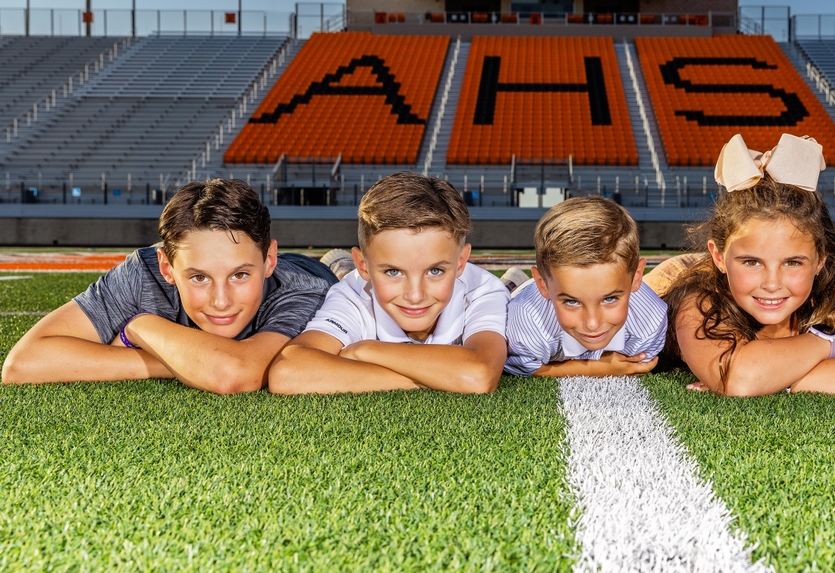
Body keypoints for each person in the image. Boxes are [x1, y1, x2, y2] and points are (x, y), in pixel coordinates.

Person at [2, 179, 337, 395]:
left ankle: (336, 262)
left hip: (315, 270)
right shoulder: (142, 274)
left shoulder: (303, 290)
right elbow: (23, 364)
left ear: (268, 261)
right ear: (166, 267)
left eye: (240, 276)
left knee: (335, 270)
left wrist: (141, 327)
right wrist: (176, 361)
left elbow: (233, 375)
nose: (221, 301)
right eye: (198, 277)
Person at [663, 133, 835, 397]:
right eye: (752, 262)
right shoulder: (698, 299)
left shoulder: (834, 291)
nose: (772, 283)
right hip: (673, 274)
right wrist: (829, 343)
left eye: (792, 262)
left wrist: (780, 376)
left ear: (820, 260)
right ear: (719, 257)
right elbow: (741, 379)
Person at [268, 172, 508, 395]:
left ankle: (511, 283)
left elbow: (479, 375)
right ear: (363, 266)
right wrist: (438, 377)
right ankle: (342, 268)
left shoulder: (482, 290)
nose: (415, 295)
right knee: (344, 281)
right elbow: (288, 373)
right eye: (393, 271)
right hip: (353, 280)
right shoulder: (352, 295)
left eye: (435, 270)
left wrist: (365, 350)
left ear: (461, 262)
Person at [504, 196, 667, 377]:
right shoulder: (527, 322)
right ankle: (511, 285)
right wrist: (598, 368)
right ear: (542, 285)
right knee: (501, 304)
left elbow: (640, 363)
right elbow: (521, 365)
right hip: (523, 297)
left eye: (610, 298)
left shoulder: (650, 322)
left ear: (636, 277)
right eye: (571, 302)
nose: (592, 323)